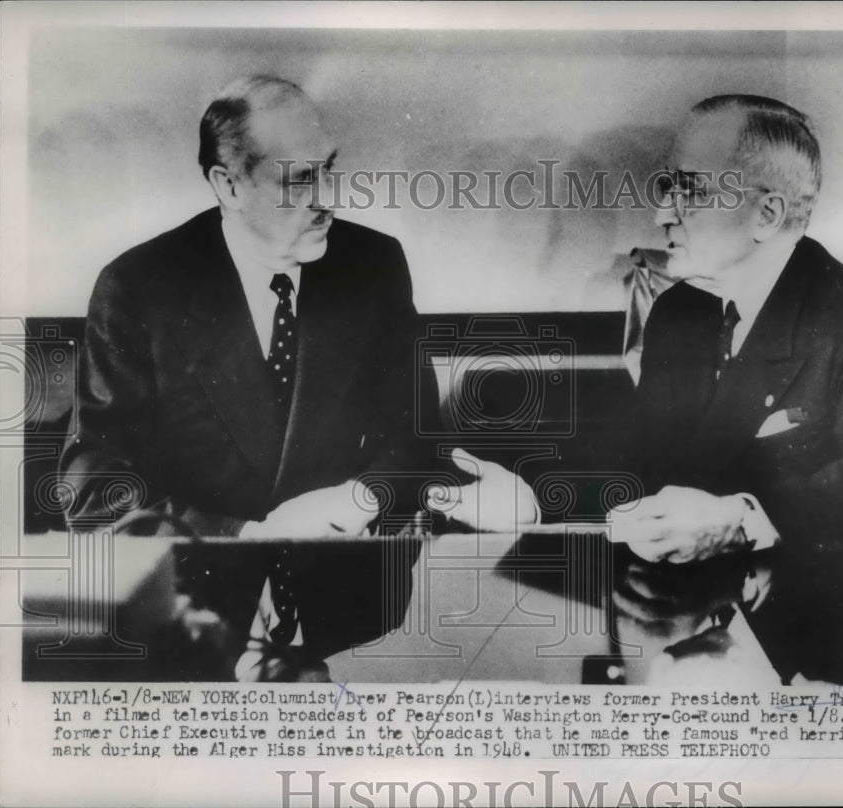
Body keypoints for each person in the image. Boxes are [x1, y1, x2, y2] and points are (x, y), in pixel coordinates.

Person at [59, 76, 537, 680]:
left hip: (352, 621)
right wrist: (248, 532)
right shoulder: (137, 288)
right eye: (301, 179)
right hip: (197, 620)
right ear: (228, 185)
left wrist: (362, 496)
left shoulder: (373, 265)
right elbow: (93, 485)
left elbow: (414, 436)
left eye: (330, 169)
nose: (329, 197)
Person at [604, 95, 843, 684]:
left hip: (834, 639)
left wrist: (739, 520)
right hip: (692, 616)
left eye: (691, 191)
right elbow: (643, 459)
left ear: (766, 215)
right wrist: (531, 493)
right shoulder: (678, 312)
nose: (663, 214)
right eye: (669, 188)